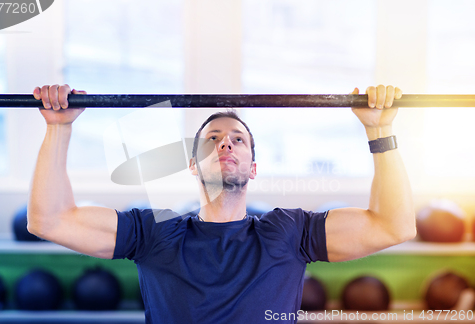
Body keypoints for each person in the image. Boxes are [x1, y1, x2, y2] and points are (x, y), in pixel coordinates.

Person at [28, 84, 415, 323]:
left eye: (237, 139)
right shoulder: (155, 232)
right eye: (212, 139)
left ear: (253, 168)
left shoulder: (288, 232)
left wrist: (379, 129)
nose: (225, 143)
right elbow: (49, 220)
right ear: (194, 166)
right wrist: (58, 129)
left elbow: (393, 225)